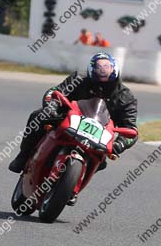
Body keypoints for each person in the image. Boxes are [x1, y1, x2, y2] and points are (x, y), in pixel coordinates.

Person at [8, 52, 139, 184]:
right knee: (38, 116)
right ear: (91, 74)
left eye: (107, 84)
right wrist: (51, 107)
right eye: (97, 82)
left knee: (102, 162)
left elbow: (131, 130)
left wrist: (119, 144)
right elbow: (54, 92)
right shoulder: (79, 79)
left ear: (115, 75)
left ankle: (75, 183)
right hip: (66, 119)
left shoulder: (126, 97)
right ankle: (23, 156)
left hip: (99, 136)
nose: (102, 87)